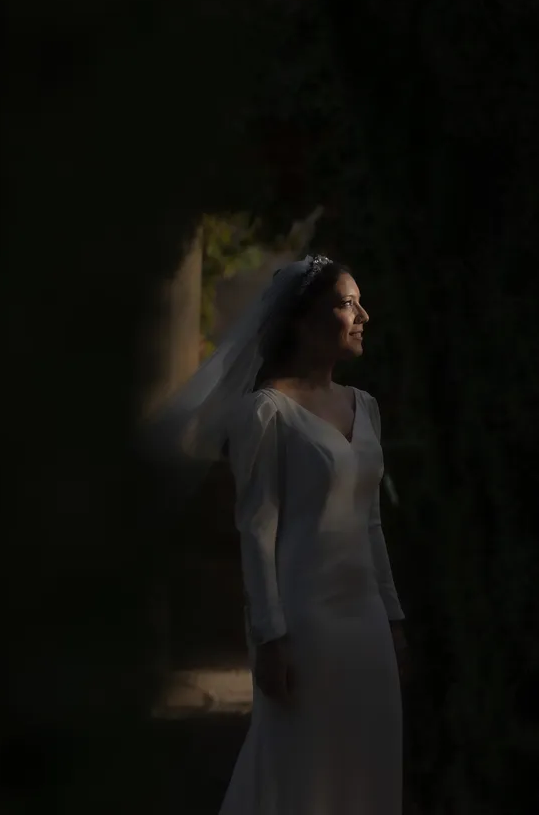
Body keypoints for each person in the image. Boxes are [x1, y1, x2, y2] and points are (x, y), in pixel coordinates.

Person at [146, 253, 406, 814]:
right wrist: (269, 637)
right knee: (298, 767)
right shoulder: (265, 413)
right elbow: (257, 528)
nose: (364, 314)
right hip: (305, 621)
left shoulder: (366, 407)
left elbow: (371, 523)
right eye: (345, 303)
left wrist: (393, 616)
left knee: (368, 760)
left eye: (361, 301)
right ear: (301, 319)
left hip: (365, 622)